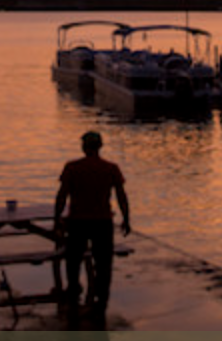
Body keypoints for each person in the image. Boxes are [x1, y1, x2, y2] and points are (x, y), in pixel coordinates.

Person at [54, 130, 131, 315]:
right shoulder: (111, 168)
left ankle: (73, 293)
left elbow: (62, 196)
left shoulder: (72, 167)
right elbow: (121, 197)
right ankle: (101, 301)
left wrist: (56, 219)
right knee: (103, 264)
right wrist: (126, 219)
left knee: (73, 262)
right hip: (102, 222)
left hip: (77, 222)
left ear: (83, 147)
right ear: (100, 147)